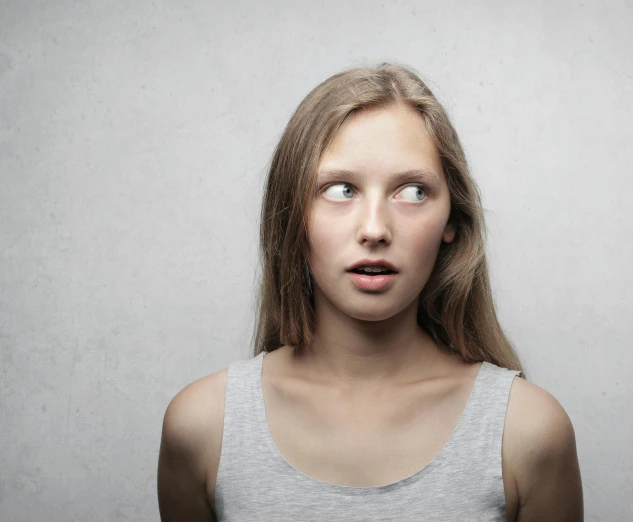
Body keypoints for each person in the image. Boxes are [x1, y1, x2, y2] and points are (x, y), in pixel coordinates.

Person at [157, 62, 583, 521]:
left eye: (413, 192)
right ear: (291, 215)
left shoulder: (528, 433)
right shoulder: (203, 428)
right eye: (341, 190)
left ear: (452, 223)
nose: (375, 229)